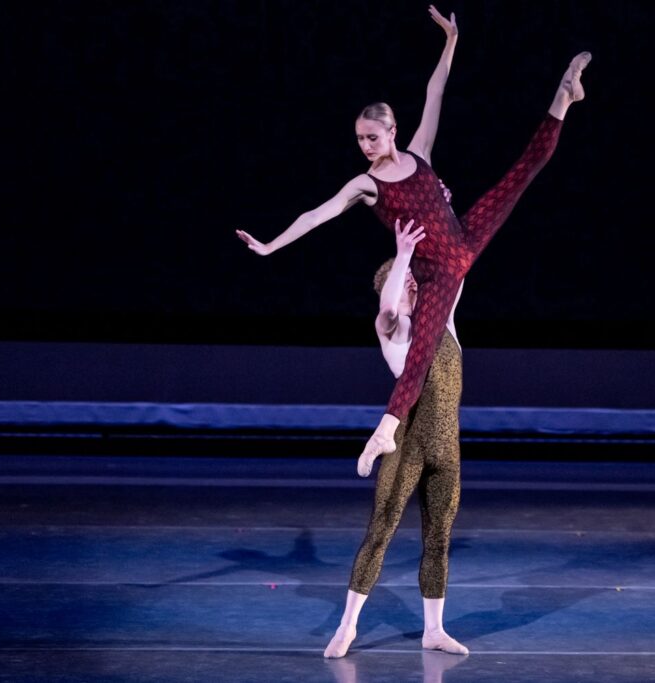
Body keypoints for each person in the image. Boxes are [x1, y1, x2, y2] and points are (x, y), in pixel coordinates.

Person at [235, 6, 590, 480]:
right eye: (360, 139)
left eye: (373, 137)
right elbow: (317, 213)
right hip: (436, 271)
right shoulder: (367, 185)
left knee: (519, 175)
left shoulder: (420, 154)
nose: (365, 145)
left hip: (462, 240)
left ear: (392, 132)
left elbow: (435, 89)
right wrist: (271, 246)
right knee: (421, 352)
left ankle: (563, 97)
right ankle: (386, 428)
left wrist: (451, 40)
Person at [323, 218, 467, 659]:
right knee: (381, 530)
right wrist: (402, 256)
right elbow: (389, 309)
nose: (412, 285)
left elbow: (455, 268)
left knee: (438, 537)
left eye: (413, 281)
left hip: (448, 451)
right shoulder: (394, 330)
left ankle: (433, 629)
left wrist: (443, 210)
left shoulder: (444, 324)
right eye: (402, 282)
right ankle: (347, 626)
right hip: (407, 446)